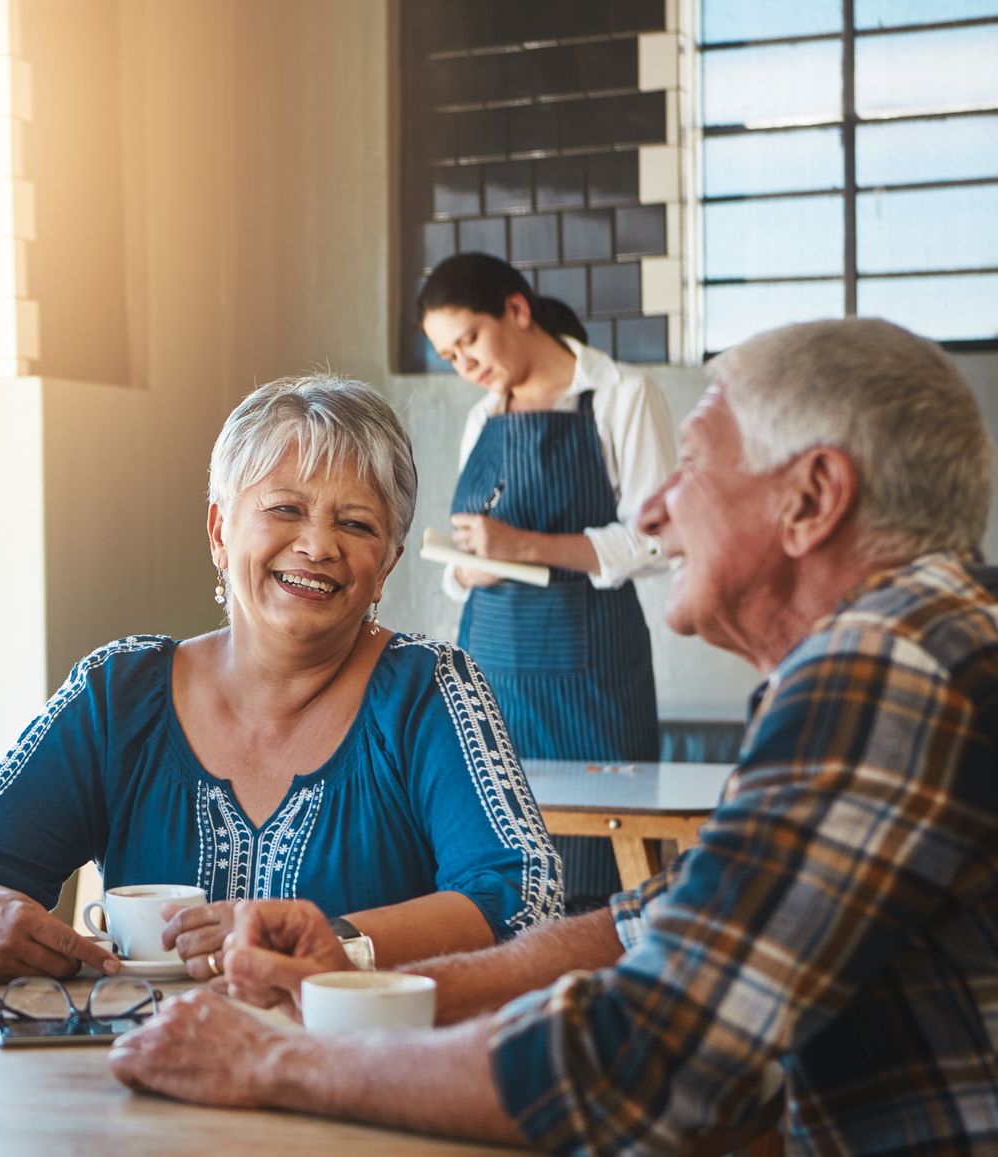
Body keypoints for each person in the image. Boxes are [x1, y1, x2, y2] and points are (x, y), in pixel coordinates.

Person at [109, 318, 998, 1155]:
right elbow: (645, 923)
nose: (652, 514)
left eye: (688, 466)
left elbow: (640, 1060)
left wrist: (273, 1060)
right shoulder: (925, 641)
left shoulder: (887, 666)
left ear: (813, 499)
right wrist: (348, 983)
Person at [0, 375, 562, 984]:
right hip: (139, 1094)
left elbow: (526, 895)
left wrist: (341, 943)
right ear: (219, 530)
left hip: (354, 1092)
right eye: (285, 509)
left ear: (385, 565)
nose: (318, 545)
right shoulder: (120, 693)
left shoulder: (432, 690)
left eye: (355, 523)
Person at [420, 252, 678, 908]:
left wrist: (522, 545)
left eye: (470, 340)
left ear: (516, 308)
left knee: (600, 880)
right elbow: (470, 564)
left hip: (594, 686)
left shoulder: (623, 395)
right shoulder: (484, 418)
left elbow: (657, 539)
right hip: (493, 679)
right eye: (450, 356)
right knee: (500, 872)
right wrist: (469, 563)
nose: (466, 365)